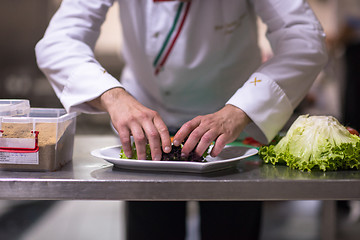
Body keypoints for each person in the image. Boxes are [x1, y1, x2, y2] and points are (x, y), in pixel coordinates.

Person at [35, 0, 328, 239]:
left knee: (232, 229)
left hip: (233, 126)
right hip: (145, 125)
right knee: (151, 231)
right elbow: (59, 41)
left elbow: (305, 39)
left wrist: (240, 110)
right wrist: (113, 96)